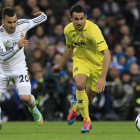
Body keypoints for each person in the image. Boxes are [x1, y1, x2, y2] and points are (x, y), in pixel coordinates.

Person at [53, 4, 111, 133]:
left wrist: (102, 78)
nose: (79, 22)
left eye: (81, 18)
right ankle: (87, 120)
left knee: (88, 99)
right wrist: (61, 65)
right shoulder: (68, 30)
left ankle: (75, 108)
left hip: (97, 65)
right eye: (76, 19)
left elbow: (107, 53)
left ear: (85, 18)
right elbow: (69, 47)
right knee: (80, 85)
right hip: (81, 60)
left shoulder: (93, 30)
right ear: (70, 18)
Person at [0, 7, 47, 130]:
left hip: (19, 68)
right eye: (9, 22)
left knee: (25, 98)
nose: (13, 25)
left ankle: (34, 109)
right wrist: (17, 46)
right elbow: (2, 57)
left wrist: (42, 14)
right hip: (2, 71)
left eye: (14, 21)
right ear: (2, 22)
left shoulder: (23, 24)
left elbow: (43, 18)